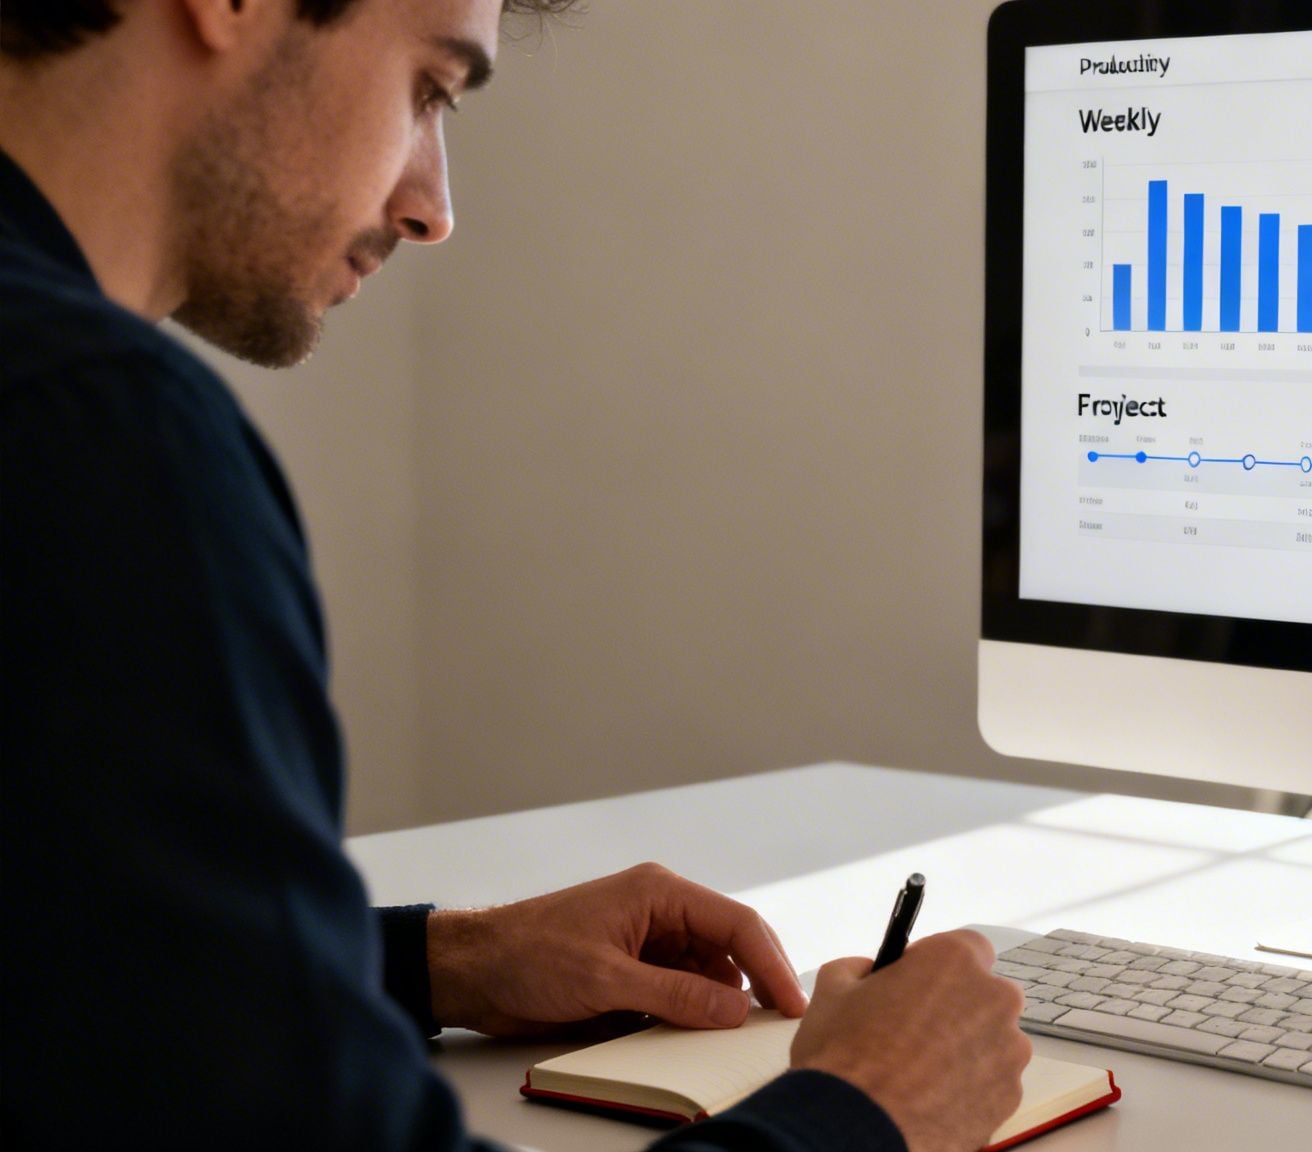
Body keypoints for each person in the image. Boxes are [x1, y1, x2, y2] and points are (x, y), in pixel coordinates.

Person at [0, 2, 1031, 1150]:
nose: (431, 207)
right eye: (427, 89)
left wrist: (434, 962)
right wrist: (870, 1105)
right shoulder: (99, 438)